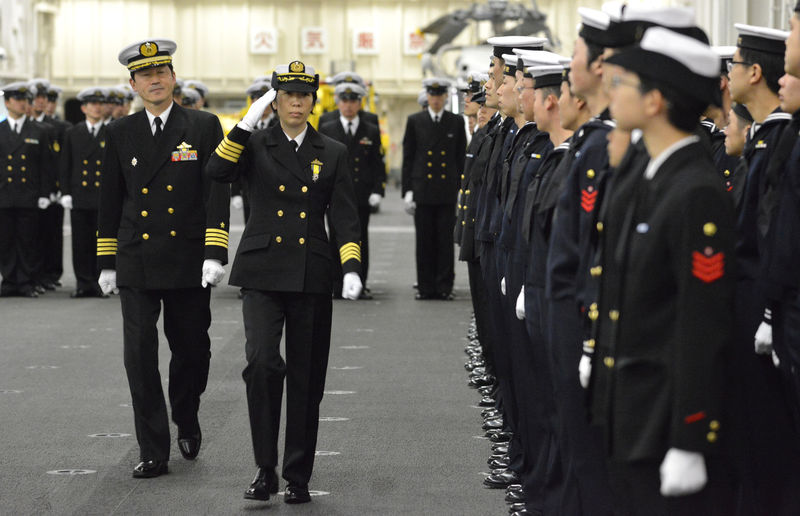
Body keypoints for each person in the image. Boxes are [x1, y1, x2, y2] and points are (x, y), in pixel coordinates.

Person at [590, 26, 736, 513]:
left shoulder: (694, 190)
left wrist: (690, 437)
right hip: (632, 413)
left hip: (663, 421)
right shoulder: (653, 176)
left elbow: (702, 322)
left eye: (623, 83)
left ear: (654, 102)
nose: (612, 91)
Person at [205, 60, 363, 504]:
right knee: (261, 363)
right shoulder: (254, 143)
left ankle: (297, 474)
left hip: (311, 272)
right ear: (275, 101)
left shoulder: (331, 151)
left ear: (313, 102)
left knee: (307, 378)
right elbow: (216, 173)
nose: (296, 102)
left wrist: (350, 266)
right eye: (286, 95)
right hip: (262, 270)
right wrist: (244, 122)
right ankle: (264, 467)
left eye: (304, 96)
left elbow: (346, 217)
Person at [96, 38, 230, 478]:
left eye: (162, 72)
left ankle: (186, 413)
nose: (155, 80)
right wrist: (107, 261)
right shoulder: (120, 132)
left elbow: (216, 191)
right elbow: (110, 200)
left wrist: (215, 250)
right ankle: (153, 448)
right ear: (133, 84)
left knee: (192, 349)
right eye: (145, 75)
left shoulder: (204, 125)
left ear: (174, 77)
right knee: (138, 355)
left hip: (188, 255)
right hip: (137, 257)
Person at [401, 77, 466, 300]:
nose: (436, 100)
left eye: (439, 96)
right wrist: (407, 190)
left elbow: (459, 158)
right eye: (432, 95)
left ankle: (444, 286)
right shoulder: (415, 121)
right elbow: (408, 158)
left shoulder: (455, 122)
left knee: (445, 242)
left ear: (445, 97)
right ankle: (425, 286)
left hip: (447, 190)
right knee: (424, 241)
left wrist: (461, 189)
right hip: (423, 189)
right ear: (427, 97)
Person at [319, 82, 385, 299]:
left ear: (360, 103)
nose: (348, 105)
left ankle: (359, 282)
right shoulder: (328, 128)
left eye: (353, 101)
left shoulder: (370, 130)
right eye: (344, 100)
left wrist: (378, 190)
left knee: (360, 239)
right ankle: (336, 283)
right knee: (334, 238)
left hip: (361, 194)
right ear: (338, 102)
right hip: (333, 195)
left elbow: (377, 163)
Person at [0, 81, 54, 297]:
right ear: (7, 102)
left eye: (25, 100)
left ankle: (26, 281)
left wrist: (44, 193)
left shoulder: (38, 131)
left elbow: (46, 166)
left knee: (28, 240)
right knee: (5, 240)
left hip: (28, 194)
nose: (23, 104)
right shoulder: (0, 130)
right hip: (4, 194)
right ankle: (9, 280)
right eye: (18, 99)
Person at [59, 88, 109, 298]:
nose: (97, 107)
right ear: (83, 108)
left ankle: (99, 283)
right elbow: (65, 164)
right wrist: (65, 192)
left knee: (101, 242)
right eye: (92, 104)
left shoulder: (112, 131)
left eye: (100, 103)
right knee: (80, 243)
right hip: (80, 194)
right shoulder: (73, 132)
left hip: (102, 196)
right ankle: (83, 283)